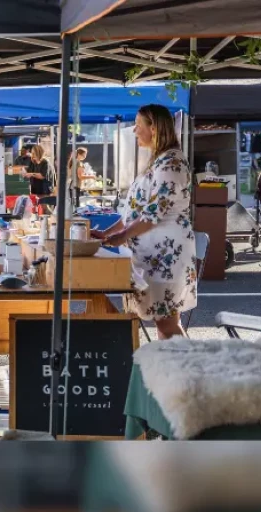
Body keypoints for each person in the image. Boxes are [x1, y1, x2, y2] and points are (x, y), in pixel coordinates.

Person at [91, 104, 196, 340]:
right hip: (153, 255)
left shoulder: (172, 163)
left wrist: (120, 237)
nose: (134, 130)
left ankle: (185, 373)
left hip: (165, 254)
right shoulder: (159, 160)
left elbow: (152, 214)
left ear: (155, 128)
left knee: (167, 324)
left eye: (139, 125)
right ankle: (171, 373)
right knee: (164, 324)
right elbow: (136, 212)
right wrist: (107, 233)